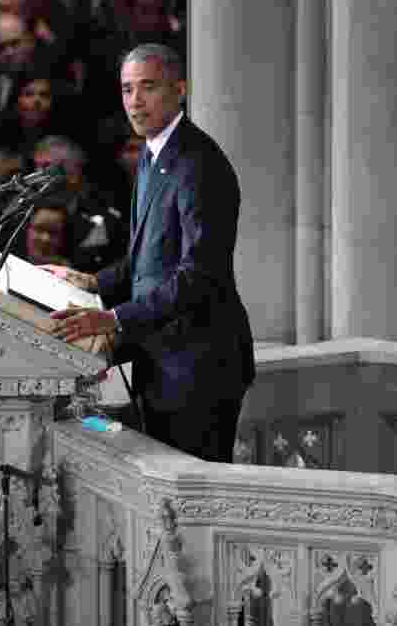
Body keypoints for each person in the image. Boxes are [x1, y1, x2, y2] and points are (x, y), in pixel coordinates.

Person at [45, 43, 254, 463]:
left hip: (198, 368)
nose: (134, 102)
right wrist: (90, 282)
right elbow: (148, 258)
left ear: (179, 90)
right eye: (126, 89)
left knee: (193, 502)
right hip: (161, 360)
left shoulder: (199, 164)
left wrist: (113, 317)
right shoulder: (152, 153)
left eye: (148, 87)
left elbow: (199, 276)